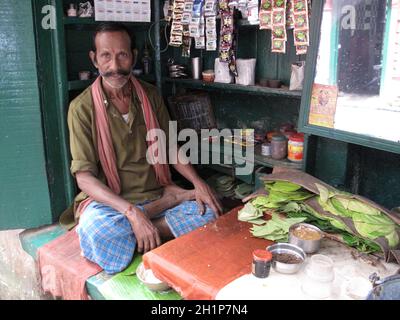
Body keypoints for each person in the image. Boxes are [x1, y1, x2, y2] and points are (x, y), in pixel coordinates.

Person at [67, 22, 223, 274]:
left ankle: (149, 223)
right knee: (96, 231)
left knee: (209, 210)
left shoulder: (150, 96)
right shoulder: (81, 108)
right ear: (94, 59)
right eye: (106, 56)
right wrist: (131, 213)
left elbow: (169, 146)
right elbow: (84, 178)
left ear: (134, 57)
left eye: (123, 55)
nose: (115, 66)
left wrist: (197, 183)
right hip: (111, 204)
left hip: (155, 190)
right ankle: (156, 217)